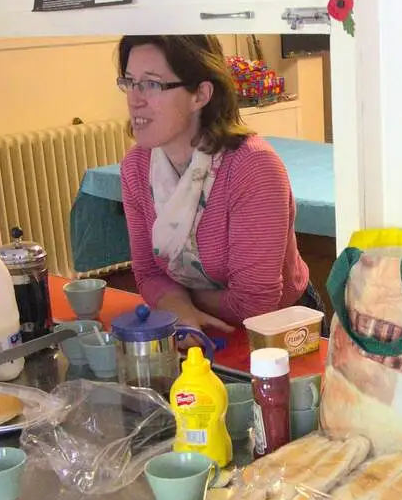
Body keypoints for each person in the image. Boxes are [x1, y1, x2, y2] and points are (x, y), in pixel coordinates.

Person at [116, 34, 315, 332]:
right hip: (188, 325)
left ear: (201, 94)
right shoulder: (135, 167)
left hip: (280, 332)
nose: (135, 99)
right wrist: (181, 310)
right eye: (130, 82)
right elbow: (146, 273)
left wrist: (178, 302)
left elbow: (254, 303)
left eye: (153, 84)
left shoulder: (253, 168)